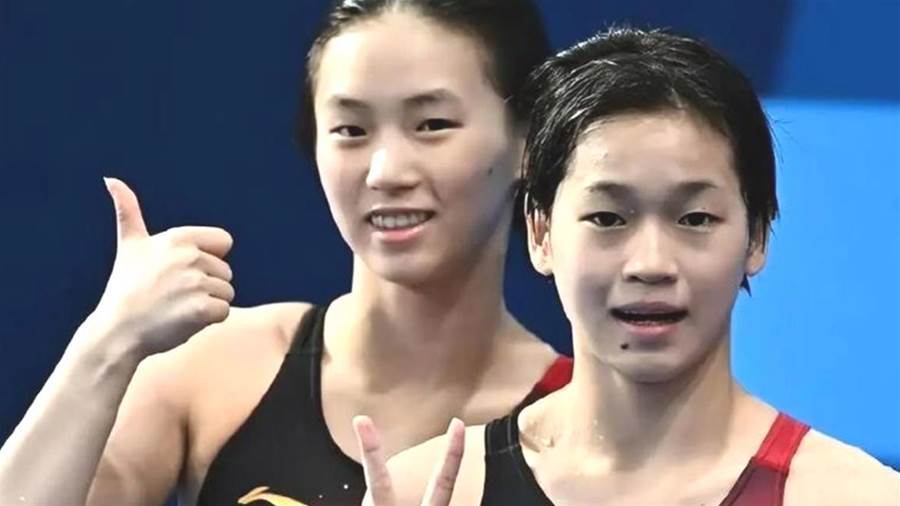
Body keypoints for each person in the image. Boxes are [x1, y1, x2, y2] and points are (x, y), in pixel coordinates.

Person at [0, 1, 573, 505]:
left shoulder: (575, 422)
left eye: (432, 124)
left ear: (529, 140)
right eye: (350, 130)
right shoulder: (216, 369)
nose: (385, 171)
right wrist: (105, 347)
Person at [359, 27, 900, 505]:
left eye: (695, 219)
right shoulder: (431, 491)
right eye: (608, 218)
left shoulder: (853, 497)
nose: (651, 264)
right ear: (541, 232)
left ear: (756, 235)